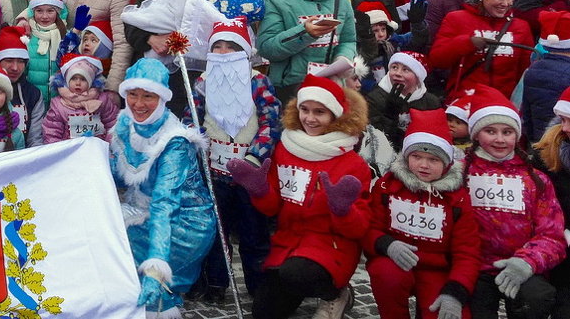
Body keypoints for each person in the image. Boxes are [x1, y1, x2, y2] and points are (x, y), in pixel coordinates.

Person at [228, 74, 373, 319]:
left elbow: (360, 228)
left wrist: (343, 210)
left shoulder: (352, 163)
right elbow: (273, 207)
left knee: (296, 274)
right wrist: (260, 190)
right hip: (289, 243)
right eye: (305, 110)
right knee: (264, 312)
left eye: (319, 112)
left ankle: (335, 293)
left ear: (335, 115)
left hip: (331, 247)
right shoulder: (286, 148)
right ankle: (300, 283)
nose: (310, 118)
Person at [110, 58, 217, 317]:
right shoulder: (126, 124)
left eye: (148, 96)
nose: (138, 103)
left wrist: (156, 267)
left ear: (162, 99)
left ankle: (159, 307)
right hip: (143, 209)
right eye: (133, 94)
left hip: (185, 222)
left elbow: (164, 205)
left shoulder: (174, 143)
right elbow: (118, 175)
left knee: (122, 245)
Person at [190, 18, 279, 302]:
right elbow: (193, 118)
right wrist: (196, 143)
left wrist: (256, 157)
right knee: (217, 232)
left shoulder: (258, 81)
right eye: (219, 46)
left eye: (232, 46)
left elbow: (270, 122)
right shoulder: (203, 82)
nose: (225, 52)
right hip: (215, 170)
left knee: (254, 234)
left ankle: (259, 286)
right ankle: (216, 283)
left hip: (250, 172)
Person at [364, 109, 480, 319]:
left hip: (438, 271)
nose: (424, 165)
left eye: (433, 160)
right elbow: (369, 227)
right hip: (396, 263)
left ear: (446, 163)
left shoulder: (458, 198)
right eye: (416, 156)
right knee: (385, 274)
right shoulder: (387, 186)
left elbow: (467, 252)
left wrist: (456, 291)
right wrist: (387, 244)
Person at [462, 90, 564, 319]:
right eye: (490, 131)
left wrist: (526, 262)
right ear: (477, 134)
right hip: (473, 268)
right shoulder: (460, 174)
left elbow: (552, 234)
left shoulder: (535, 179)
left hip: (522, 267)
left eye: (507, 132)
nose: (500, 139)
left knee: (537, 298)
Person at [430, 0, 535, 97]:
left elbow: (525, 69)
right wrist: (468, 43)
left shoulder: (521, 26)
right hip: (465, 101)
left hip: (503, 103)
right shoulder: (457, 18)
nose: (505, 3)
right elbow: (438, 59)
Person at [42, 50, 118, 143]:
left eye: (83, 79)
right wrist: (60, 153)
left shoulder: (103, 100)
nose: (78, 83)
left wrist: (108, 147)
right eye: (73, 78)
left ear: (90, 82)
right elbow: (52, 132)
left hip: (98, 151)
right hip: (69, 152)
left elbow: (112, 125)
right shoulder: (59, 105)